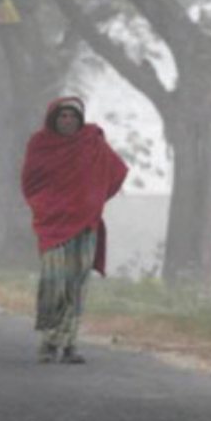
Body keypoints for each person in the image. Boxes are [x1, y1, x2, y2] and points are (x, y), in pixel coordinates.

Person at [21, 96, 128, 364]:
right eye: (62, 116)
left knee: (76, 285)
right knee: (54, 281)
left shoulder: (92, 142)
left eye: (72, 116)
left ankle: (67, 344)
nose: (67, 121)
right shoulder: (40, 145)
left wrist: (93, 198)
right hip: (53, 224)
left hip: (85, 224)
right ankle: (49, 339)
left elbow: (117, 171)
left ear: (80, 120)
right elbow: (30, 183)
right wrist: (44, 207)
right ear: (53, 119)